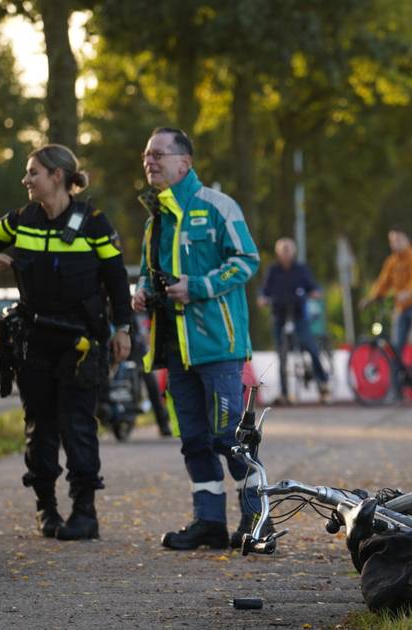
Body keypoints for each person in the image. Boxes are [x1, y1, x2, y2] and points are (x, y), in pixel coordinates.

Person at [0, 144, 132, 541]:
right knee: (39, 425)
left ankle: (84, 512)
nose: (26, 181)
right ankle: (47, 509)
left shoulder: (94, 223)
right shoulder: (21, 219)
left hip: (80, 343)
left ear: (57, 177)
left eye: (33, 173)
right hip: (34, 342)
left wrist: (123, 329)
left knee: (77, 424)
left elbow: (116, 280)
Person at [130, 127, 263, 550]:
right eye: (146, 154)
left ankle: (257, 521)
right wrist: (142, 291)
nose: (150, 161)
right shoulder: (155, 221)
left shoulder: (218, 206)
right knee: (193, 441)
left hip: (217, 346)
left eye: (159, 154)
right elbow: (147, 270)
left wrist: (199, 286)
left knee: (229, 438)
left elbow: (247, 259)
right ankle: (209, 523)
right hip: (173, 347)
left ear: (184, 162)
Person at [358, 228, 412, 397]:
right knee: (395, 347)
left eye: (399, 239)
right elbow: (383, 283)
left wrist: (407, 292)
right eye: (392, 240)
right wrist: (371, 298)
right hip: (401, 307)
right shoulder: (391, 262)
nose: (395, 243)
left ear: (407, 239)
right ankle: (396, 389)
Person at [258, 237, 331, 405]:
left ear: (294, 252)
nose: (285, 254)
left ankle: (323, 384)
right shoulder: (273, 271)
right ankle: (284, 393)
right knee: (281, 354)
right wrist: (262, 298)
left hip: (298, 316)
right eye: (282, 250)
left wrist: (315, 293)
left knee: (311, 348)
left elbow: (313, 287)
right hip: (279, 316)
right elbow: (265, 291)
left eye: (288, 250)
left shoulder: (301, 270)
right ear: (277, 253)